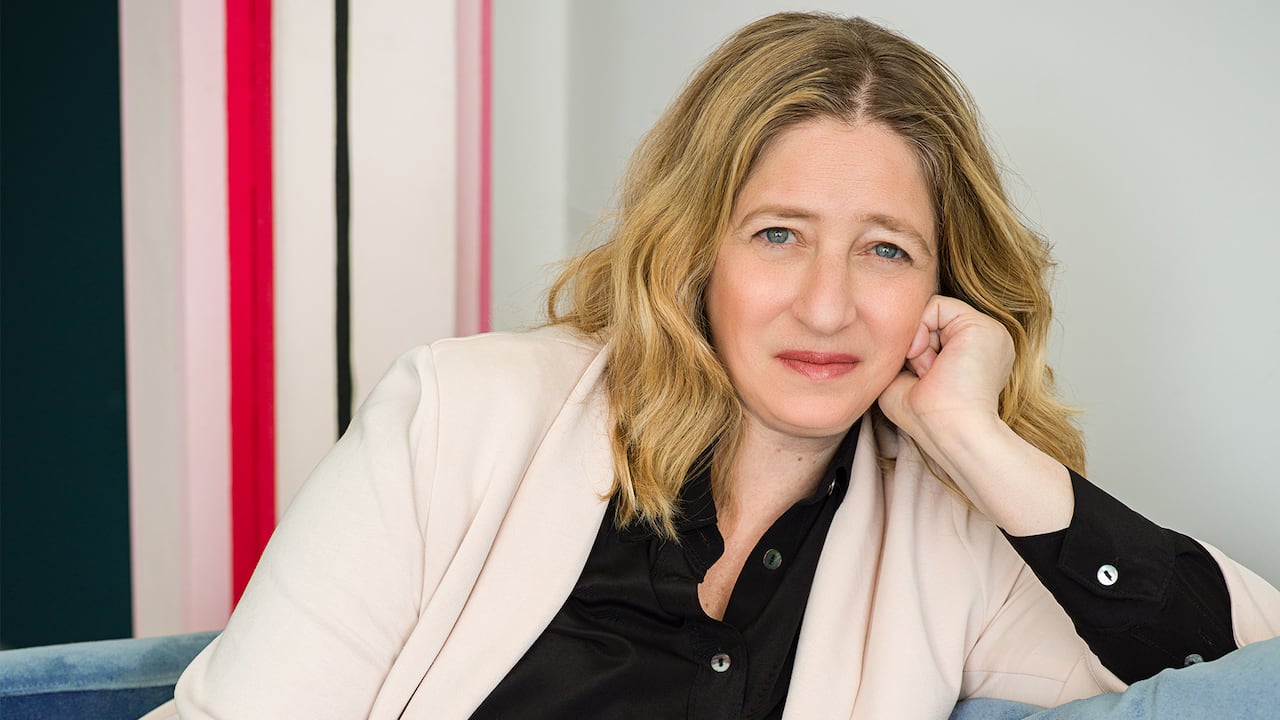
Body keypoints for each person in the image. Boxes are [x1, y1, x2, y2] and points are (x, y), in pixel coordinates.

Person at [145, 12, 1280, 719]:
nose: (826, 304)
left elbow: (1251, 677)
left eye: (885, 251)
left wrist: (981, 445)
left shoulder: (947, 544)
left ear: (944, 289)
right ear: (695, 251)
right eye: (777, 234)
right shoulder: (457, 418)